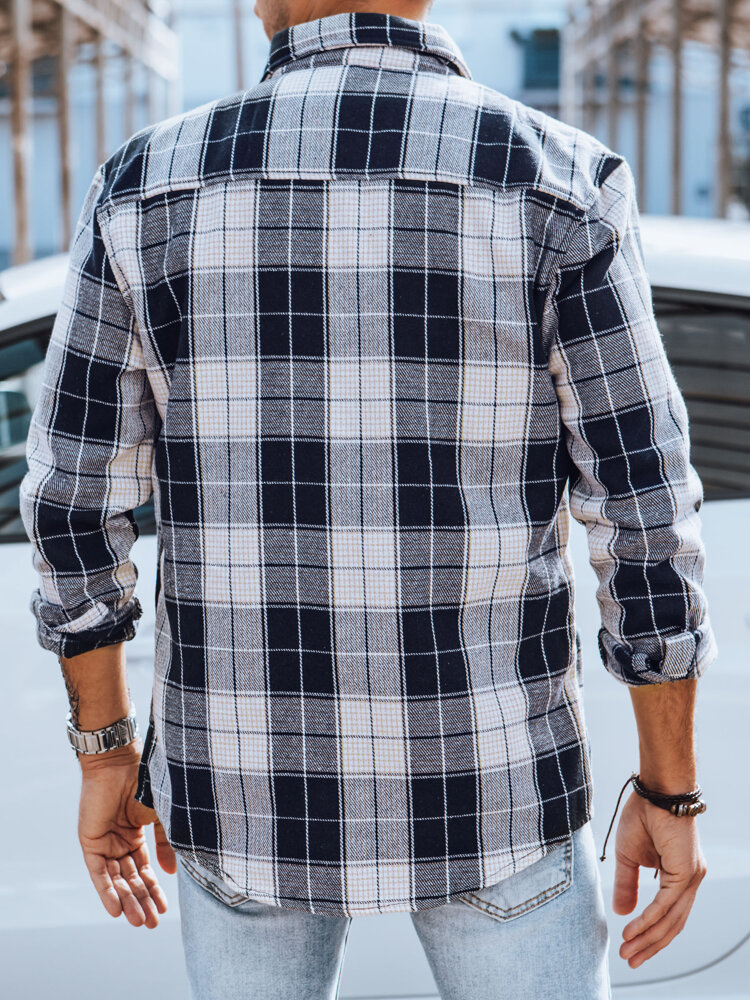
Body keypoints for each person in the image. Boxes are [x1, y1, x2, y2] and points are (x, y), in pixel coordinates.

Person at [19, 1, 717, 998]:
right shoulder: (558, 180)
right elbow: (645, 504)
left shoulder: (142, 187)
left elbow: (71, 504)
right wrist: (670, 790)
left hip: (242, 797)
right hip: (495, 790)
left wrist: (104, 753)